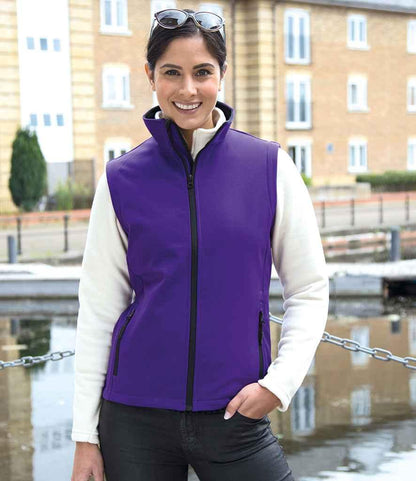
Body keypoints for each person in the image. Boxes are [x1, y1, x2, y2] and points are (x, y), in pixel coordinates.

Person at [70, 7, 329, 481]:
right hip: (133, 419)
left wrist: (279, 385)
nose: (188, 89)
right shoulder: (121, 179)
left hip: (234, 414)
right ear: (150, 76)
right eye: (172, 72)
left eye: (202, 72)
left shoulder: (269, 167)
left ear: (221, 75)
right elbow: (99, 310)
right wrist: (86, 437)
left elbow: (309, 288)